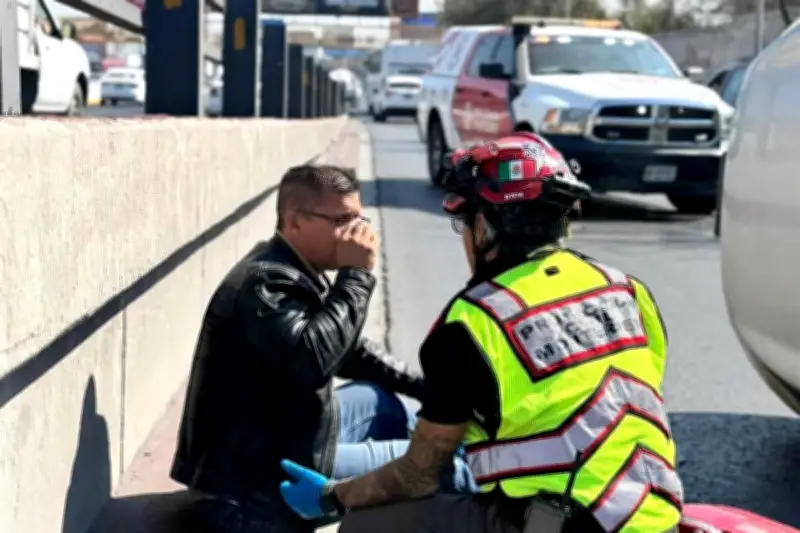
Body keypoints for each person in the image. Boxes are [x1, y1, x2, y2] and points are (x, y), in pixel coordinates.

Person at [277, 134, 685, 533]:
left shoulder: (473, 322)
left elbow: (419, 475)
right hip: (653, 515)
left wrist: (334, 496)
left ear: (486, 227)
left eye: (465, 221)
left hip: (559, 523)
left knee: (370, 521)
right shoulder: (627, 289)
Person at [170, 164, 477, 533]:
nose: (358, 233)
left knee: (384, 403)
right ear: (295, 221)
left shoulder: (291, 266)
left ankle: (449, 441)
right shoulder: (265, 285)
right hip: (255, 482)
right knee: (443, 466)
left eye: (358, 217)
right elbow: (315, 361)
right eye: (342, 220)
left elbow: (348, 349)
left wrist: (429, 391)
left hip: (284, 431)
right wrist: (357, 277)